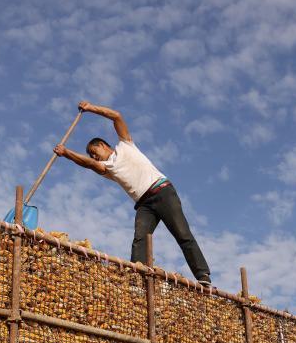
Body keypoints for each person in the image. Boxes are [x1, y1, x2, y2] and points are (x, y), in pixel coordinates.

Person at [53, 101, 212, 285]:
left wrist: (91, 108)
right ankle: (135, 280)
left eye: (93, 151)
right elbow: (88, 164)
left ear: (103, 145)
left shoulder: (125, 144)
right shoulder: (106, 168)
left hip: (162, 191)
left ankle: (203, 275)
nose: (93, 156)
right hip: (144, 204)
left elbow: (116, 116)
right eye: (91, 154)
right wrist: (66, 153)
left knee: (182, 233)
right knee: (139, 239)